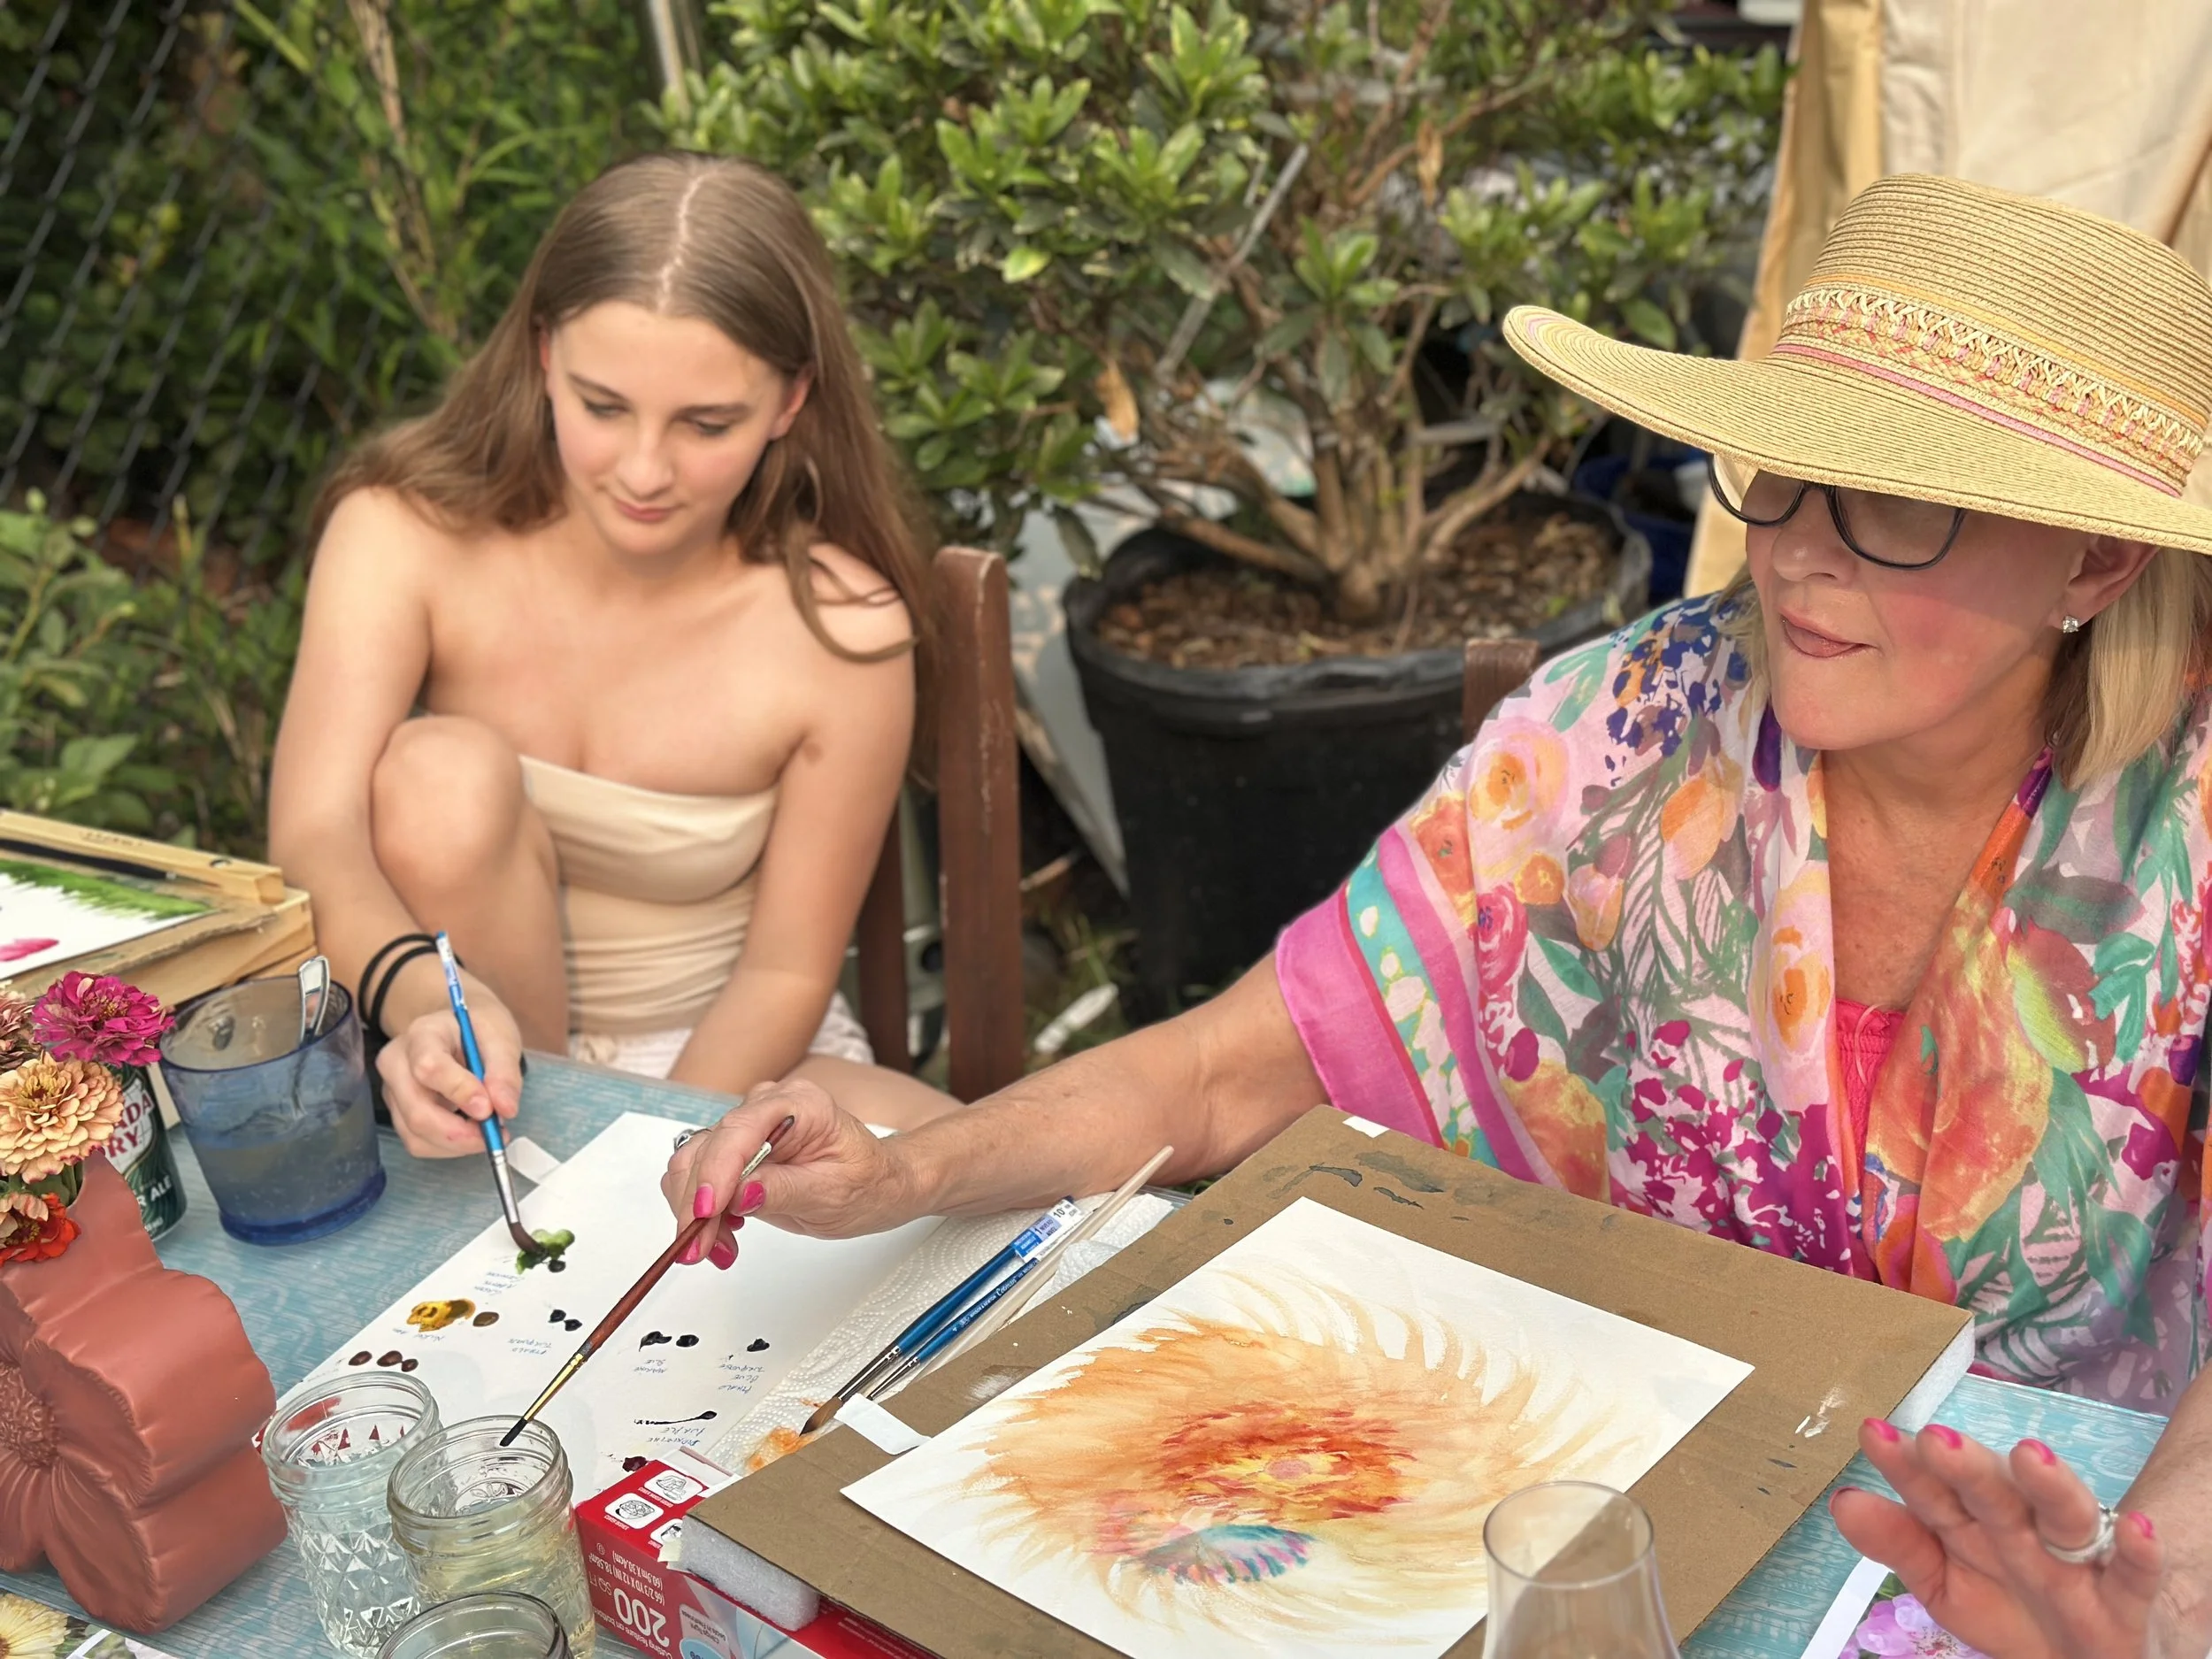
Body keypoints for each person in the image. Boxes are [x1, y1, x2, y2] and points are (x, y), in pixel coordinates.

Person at [667, 176, 2212, 1656]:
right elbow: (1218, 1072)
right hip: (1597, 1532)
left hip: (2042, 1559)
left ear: (2096, 554)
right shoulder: (1623, 737)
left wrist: (2151, 1601)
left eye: (1898, 509)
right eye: (1786, 471)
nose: (1799, 545)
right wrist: (898, 1172)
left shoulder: (2187, 834)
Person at [269, 155, 954, 1170]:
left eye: (706, 424)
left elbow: (782, 973)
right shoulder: (399, 533)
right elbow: (313, 833)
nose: (643, 471)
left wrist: (650, 1157)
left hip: (739, 1060)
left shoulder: (841, 627)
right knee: (433, 773)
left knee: (1025, 1218)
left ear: (790, 401)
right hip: (470, 1052)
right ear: (543, 355)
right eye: (602, 406)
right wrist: (430, 1012)